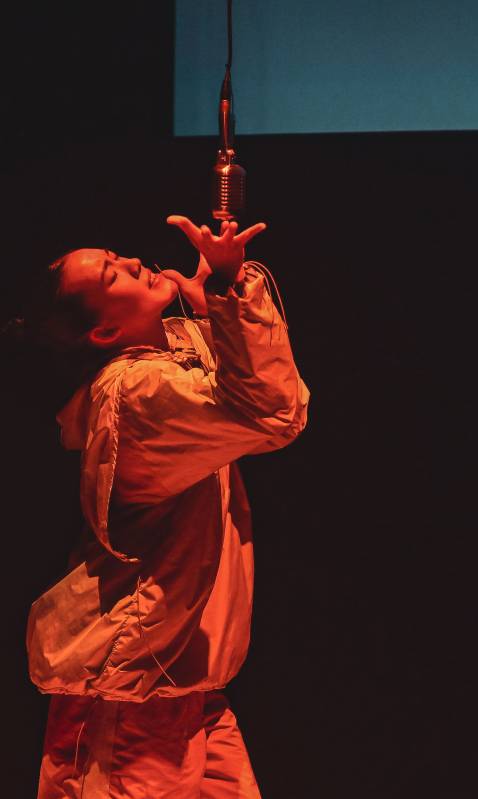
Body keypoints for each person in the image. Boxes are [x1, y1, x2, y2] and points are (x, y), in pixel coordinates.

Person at [10, 215, 309, 798]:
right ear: (101, 333)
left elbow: (257, 399)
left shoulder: (159, 371)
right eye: (111, 274)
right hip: (131, 696)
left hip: (177, 687)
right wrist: (227, 293)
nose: (130, 262)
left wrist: (211, 308)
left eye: (117, 254)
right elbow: (269, 414)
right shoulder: (135, 394)